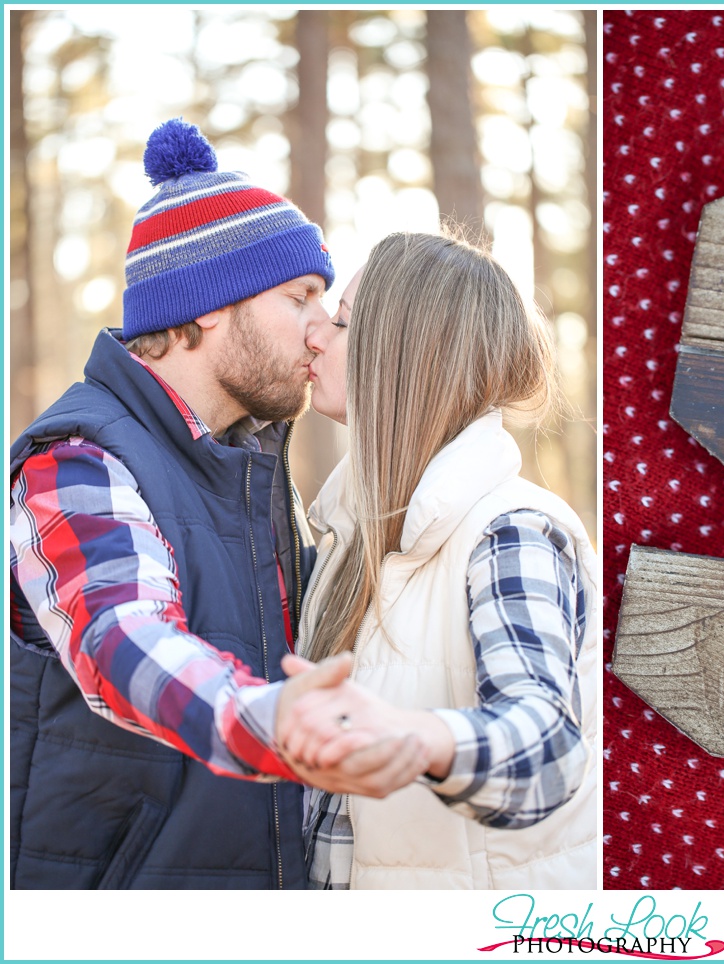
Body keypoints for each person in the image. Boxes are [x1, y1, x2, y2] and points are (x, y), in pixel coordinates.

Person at [9, 119, 424, 890]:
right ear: (205, 309)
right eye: (300, 296)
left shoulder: (254, 466)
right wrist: (271, 721)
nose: (321, 329)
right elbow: (120, 638)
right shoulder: (79, 459)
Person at [278, 232, 599, 889]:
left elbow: (544, 749)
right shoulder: (349, 538)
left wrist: (418, 739)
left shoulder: (512, 533)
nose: (316, 337)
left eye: (341, 322)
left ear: (402, 354)